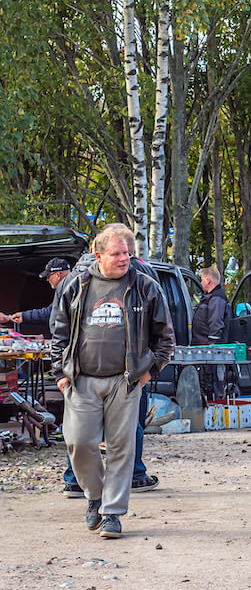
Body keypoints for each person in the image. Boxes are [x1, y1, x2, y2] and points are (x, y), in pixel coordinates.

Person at [50, 224, 175, 539]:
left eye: (128, 253)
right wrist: (61, 377)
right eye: (117, 254)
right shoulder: (76, 286)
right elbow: (59, 333)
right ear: (98, 255)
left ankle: (112, 513)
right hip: (81, 380)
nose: (125, 259)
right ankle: (95, 494)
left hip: (125, 381)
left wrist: (148, 373)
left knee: (122, 448)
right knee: (78, 442)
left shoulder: (145, 287)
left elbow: (165, 338)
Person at [192, 266, 231, 398]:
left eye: (202, 280)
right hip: (202, 351)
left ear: (208, 280)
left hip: (211, 353)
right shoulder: (209, 298)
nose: (201, 282)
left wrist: (211, 348)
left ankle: (214, 410)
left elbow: (216, 324)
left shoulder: (217, 299)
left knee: (212, 386)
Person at [0, 258, 71, 326]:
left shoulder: (71, 291)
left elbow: (51, 314)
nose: (47, 279)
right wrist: (24, 316)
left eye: (48, 276)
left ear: (58, 276)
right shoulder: (68, 289)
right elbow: (50, 312)